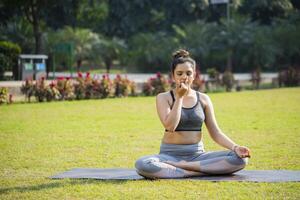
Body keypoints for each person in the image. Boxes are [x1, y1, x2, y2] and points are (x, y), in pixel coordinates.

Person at [135, 49, 251, 179]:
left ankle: (182, 168)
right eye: (179, 73)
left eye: (188, 73)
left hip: (197, 155)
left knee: (240, 159)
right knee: (143, 164)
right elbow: (170, 126)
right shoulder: (164, 98)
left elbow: (215, 133)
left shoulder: (203, 99)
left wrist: (235, 147)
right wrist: (179, 98)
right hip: (169, 156)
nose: (184, 77)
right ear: (173, 75)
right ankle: (196, 171)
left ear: (194, 75)